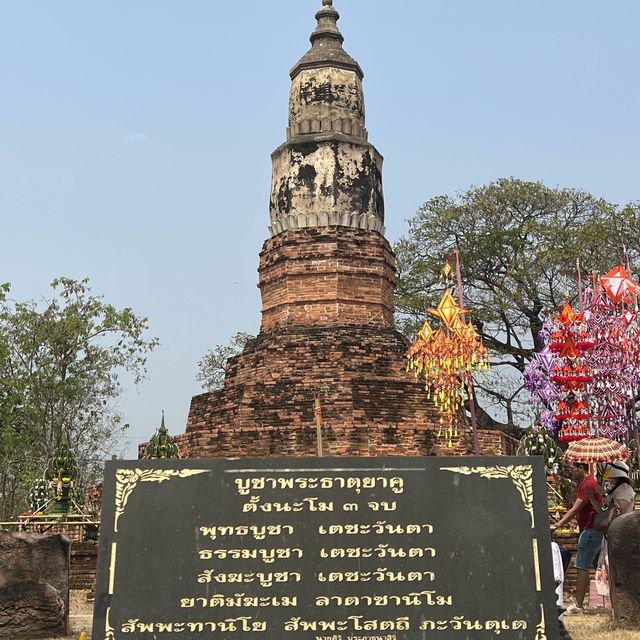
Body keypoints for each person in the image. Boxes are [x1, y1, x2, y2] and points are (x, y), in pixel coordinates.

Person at [551, 462, 602, 613]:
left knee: (581, 566)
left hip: (590, 530)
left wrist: (558, 525)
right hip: (593, 529)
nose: (572, 472)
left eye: (573, 468)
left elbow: (575, 510)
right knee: (599, 567)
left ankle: (579, 605)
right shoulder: (588, 483)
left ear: (581, 468)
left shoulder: (588, 483)